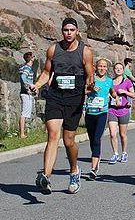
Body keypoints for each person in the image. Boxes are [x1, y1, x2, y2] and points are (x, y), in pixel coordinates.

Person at [30, 17, 94, 194]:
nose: (68, 33)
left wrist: (90, 85)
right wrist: (37, 84)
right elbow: (46, 72)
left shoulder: (85, 52)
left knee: (68, 141)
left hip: (74, 100)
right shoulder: (53, 49)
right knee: (52, 135)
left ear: (77, 32)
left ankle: (74, 170)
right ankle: (46, 177)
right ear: (62, 31)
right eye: (66, 30)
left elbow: (90, 75)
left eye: (72, 30)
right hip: (56, 97)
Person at [84, 59, 117, 180]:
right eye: (100, 66)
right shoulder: (91, 78)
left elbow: (112, 91)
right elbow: (84, 91)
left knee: (97, 139)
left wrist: (116, 97)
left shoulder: (109, 81)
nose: (102, 68)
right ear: (96, 67)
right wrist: (91, 89)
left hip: (102, 113)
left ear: (107, 68)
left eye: (104, 66)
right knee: (92, 139)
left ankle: (93, 169)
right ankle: (96, 157)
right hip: (90, 113)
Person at [108, 62, 135, 164]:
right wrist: (109, 96)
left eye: (120, 68)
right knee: (112, 134)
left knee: (122, 134)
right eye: (116, 68)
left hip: (123, 110)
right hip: (112, 110)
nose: (118, 70)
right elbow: (107, 93)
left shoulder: (127, 82)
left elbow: (133, 95)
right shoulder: (110, 82)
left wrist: (125, 92)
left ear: (123, 70)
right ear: (114, 70)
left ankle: (124, 152)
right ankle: (115, 153)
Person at [18, 52, 35, 138]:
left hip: (23, 92)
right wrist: (29, 86)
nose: (34, 58)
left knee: (24, 113)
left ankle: (22, 132)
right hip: (26, 93)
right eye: (33, 56)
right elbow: (23, 77)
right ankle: (22, 134)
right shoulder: (27, 68)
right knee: (24, 113)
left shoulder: (23, 67)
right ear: (31, 58)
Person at [123, 57, 135, 122]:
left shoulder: (126, 70)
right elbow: (133, 78)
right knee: (129, 102)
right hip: (128, 88)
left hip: (126, 87)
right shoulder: (126, 70)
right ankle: (128, 118)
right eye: (131, 62)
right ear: (128, 63)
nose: (131, 64)